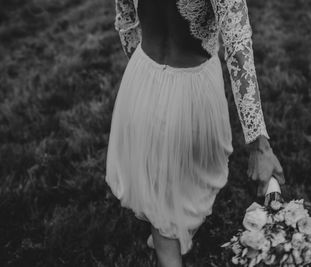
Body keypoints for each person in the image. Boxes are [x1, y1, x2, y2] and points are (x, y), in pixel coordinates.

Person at [105, 0, 285, 266]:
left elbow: (127, 22)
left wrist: (148, 86)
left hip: (143, 77)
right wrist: (260, 145)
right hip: (193, 88)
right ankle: (167, 236)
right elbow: (237, 46)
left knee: (170, 179)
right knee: (167, 198)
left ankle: (167, 226)